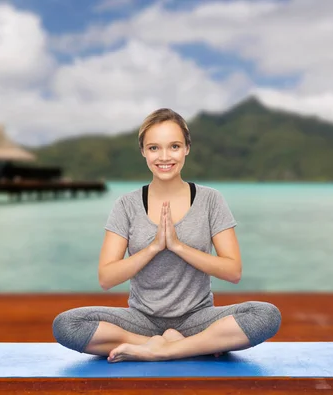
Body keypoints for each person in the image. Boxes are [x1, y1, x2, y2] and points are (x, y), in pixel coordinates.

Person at [52, 108, 281, 363]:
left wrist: (178, 246)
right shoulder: (126, 205)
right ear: (143, 151)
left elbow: (233, 271)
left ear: (187, 148)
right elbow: (106, 278)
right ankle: (171, 345)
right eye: (154, 148)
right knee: (67, 324)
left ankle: (164, 350)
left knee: (266, 315)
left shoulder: (211, 200)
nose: (164, 157)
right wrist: (154, 247)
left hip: (198, 318)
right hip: (141, 320)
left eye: (173, 146)